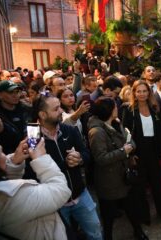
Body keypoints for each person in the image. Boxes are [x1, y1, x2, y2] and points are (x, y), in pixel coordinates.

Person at [32, 93, 103, 239]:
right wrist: (66, 163)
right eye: (56, 109)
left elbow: (87, 153)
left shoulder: (69, 129)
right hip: (55, 205)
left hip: (81, 195)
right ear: (43, 114)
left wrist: (80, 158)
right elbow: (31, 172)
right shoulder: (33, 137)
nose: (61, 112)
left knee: (95, 232)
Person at [88, 97, 148, 240]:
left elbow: (130, 140)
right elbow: (101, 158)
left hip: (123, 177)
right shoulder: (97, 132)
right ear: (108, 110)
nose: (117, 108)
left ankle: (138, 232)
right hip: (109, 182)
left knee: (131, 208)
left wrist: (129, 148)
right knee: (108, 216)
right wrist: (123, 151)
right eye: (115, 106)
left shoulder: (116, 123)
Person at [0, 139, 71, 240]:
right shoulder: (3, 198)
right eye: (1, 152)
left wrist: (14, 162)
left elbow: (6, 184)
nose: (5, 156)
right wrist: (41, 158)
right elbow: (60, 190)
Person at [121, 80, 161, 225]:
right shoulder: (128, 110)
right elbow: (125, 133)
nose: (142, 94)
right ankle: (144, 216)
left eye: (144, 91)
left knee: (158, 185)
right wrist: (130, 154)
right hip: (138, 152)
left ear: (149, 92)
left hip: (154, 152)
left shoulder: (154, 108)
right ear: (134, 93)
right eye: (139, 91)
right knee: (140, 188)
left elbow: (160, 132)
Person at [0, 80, 32, 154]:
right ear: (0, 95)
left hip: (28, 152)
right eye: (10, 92)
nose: (15, 95)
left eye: (17, 92)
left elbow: (34, 130)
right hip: (7, 157)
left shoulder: (26, 109)